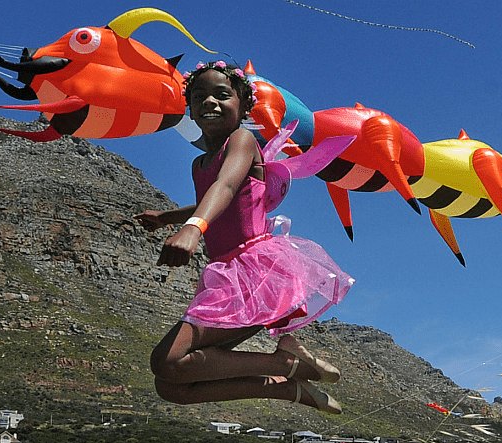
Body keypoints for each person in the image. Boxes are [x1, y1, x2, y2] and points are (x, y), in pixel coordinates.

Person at [135, 61, 353, 414]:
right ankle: (286, 388)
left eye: (222, 95)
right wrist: (167, 218)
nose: (210, 102)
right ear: (189, 108)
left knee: (167, 361)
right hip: (227, 274)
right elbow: (224, 194)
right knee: (171, 386)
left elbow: (228, 184)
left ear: (244, 106)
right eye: (199, 96)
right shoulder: (199, 164)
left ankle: (284, 365)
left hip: (255, 271)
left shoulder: (243, 139)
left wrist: (192, 228)